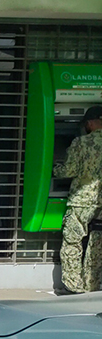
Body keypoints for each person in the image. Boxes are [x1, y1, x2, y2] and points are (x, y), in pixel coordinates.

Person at [53, 105, 102, 294]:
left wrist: (55, 169)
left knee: (72, 242)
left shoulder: (81, 143)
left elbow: (69, 170)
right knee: (96, 246)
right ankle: (92, 286)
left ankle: (73, 287)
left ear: (89, 123)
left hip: (82, 201)